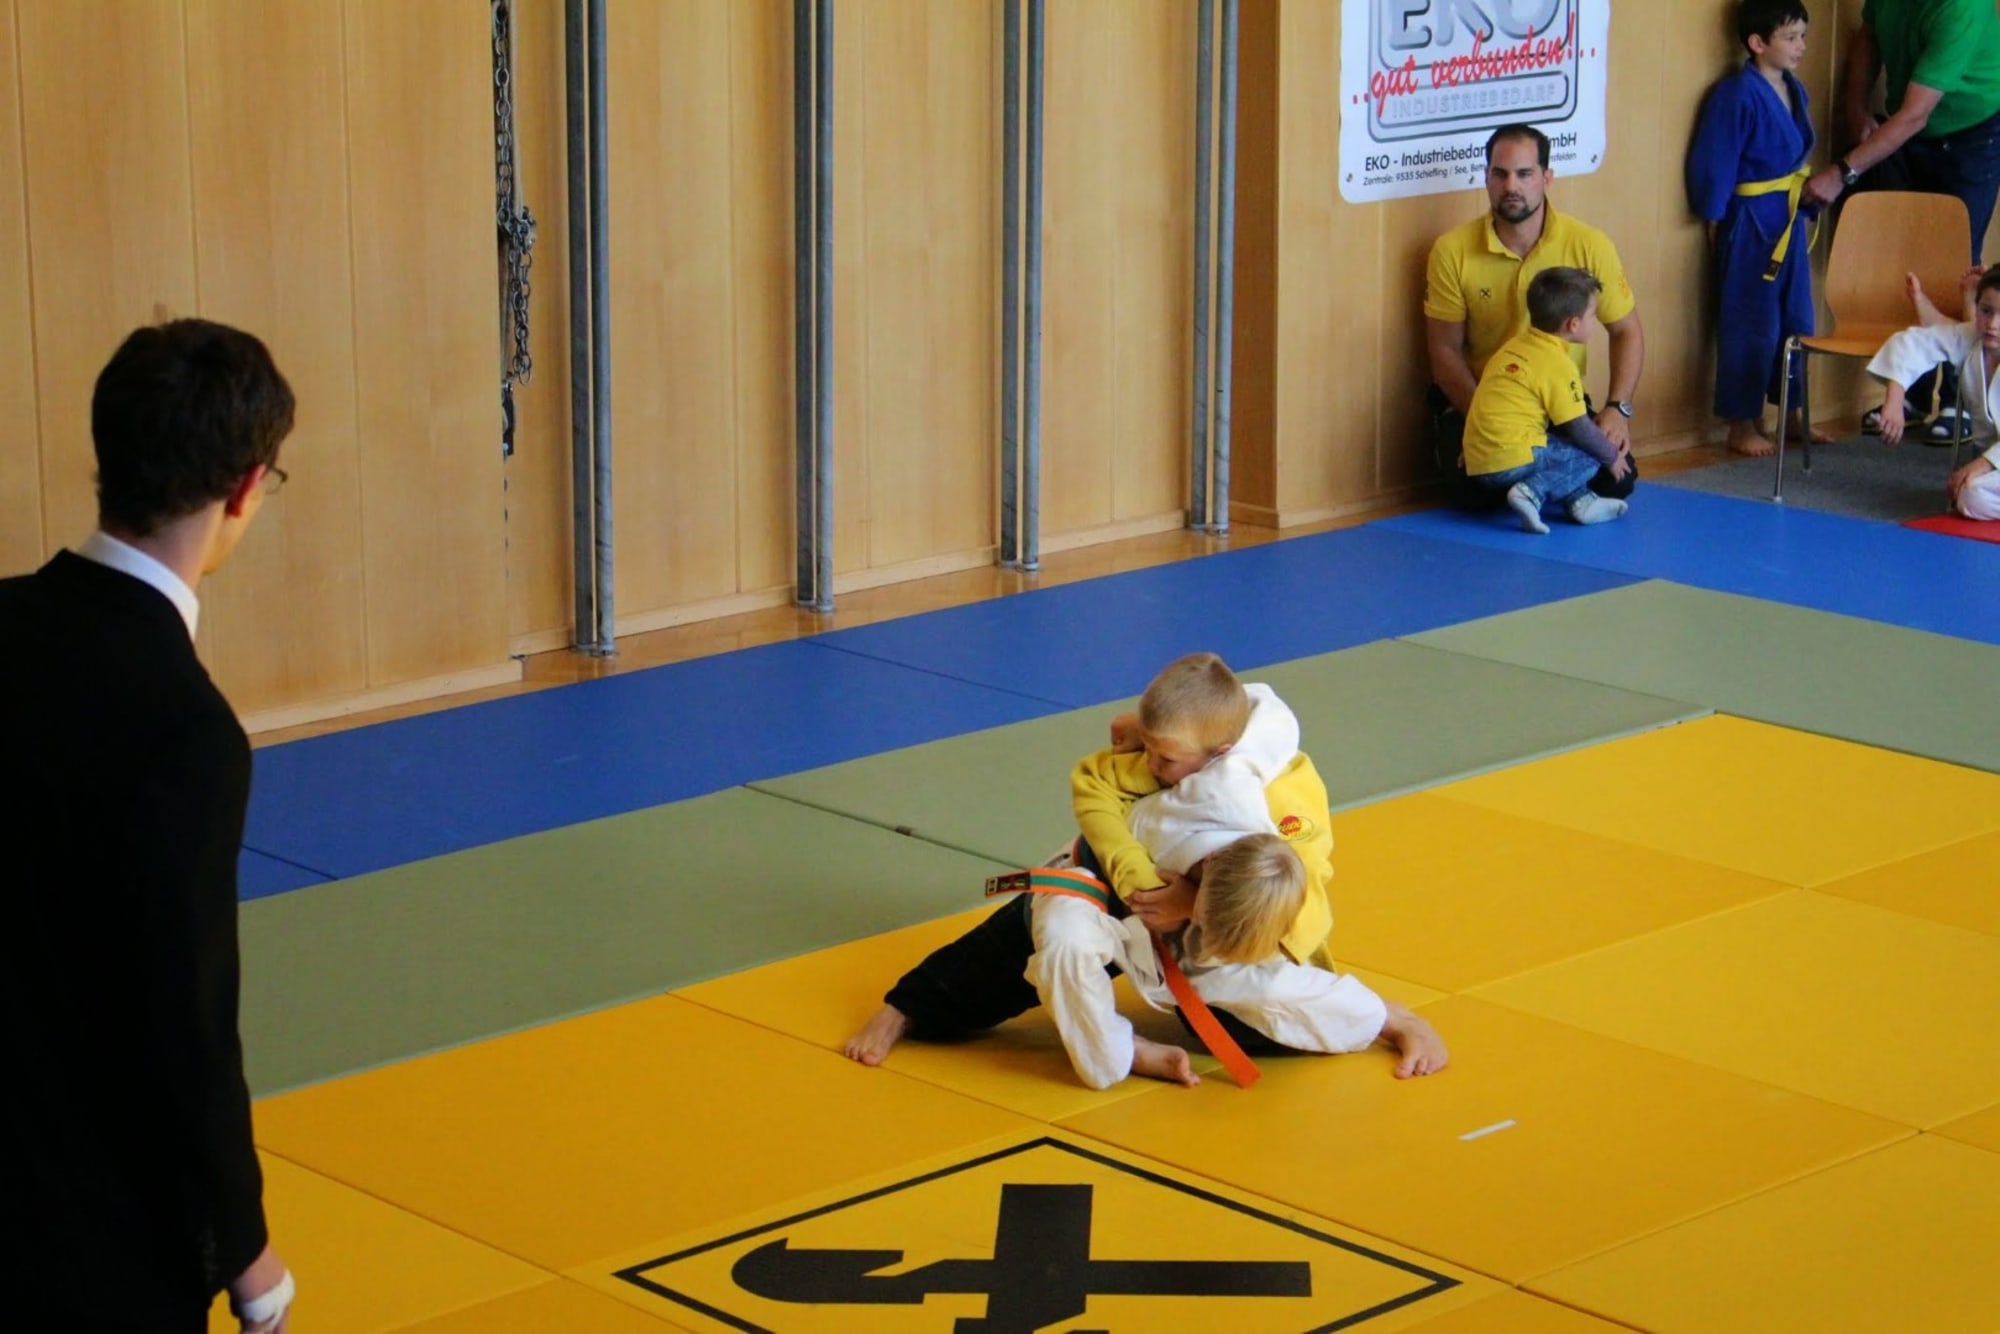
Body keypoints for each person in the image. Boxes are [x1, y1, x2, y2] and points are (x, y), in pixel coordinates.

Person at [0, 321, 298, 1332]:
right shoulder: (185, 731)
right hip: (83, 1236)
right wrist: (243, 1246)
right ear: (246, 487)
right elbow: (182, 1025)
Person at [844, 653, 1446, 1088]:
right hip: (1108, 881)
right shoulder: (1170, 777)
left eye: (1167, 758)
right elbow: (1098, 784)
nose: (1155, 766)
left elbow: (1292, 911)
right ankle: (1109, 1049)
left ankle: (1390, 1018)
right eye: (1156, 753)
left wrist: (1191, 909)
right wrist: (1138, 876)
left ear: (1219, 752)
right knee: (1054, 942)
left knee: (1255, 991)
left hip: (1209, 907)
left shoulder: (1272, 821)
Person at [1804, 0, 2000, 442]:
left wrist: (1843, 172)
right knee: (1907, 262)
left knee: (1958, 264)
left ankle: (1959, 402)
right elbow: (1868, 37)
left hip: (1971, 131)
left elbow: (1915, 114)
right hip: (1909, 128)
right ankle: (1909, 391)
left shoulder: (1962, 8)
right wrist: (1856, 109)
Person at [1425, 123, 1644, 505]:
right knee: (1472, 493)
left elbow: (1627, 330)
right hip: (1482, 400)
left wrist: (1617, 409)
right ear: (1486, 178)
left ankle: (1535, 487)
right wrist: (1488, 423)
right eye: (1500, 174)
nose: (1511, 186)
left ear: (1547, 177)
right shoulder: (1452, 250)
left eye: (1524, 174)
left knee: (1617, 480)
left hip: (1556, 401)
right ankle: (1547, 489)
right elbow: (1444, 351)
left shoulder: (1589, 244)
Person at [1687, 0, 1822, 458]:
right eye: (1791, 37)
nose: (1801, 46)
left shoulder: (1794, 88)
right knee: (1750, 320)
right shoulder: (1735, 94)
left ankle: (1793, 412)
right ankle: (1741, 421)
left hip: (1789, 216)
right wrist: (1714, 215)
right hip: (1749, 220)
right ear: (1757, 43)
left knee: (1797, 318)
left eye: (1803, 36)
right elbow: (1715, 159)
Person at [1462, 267, 1633, 535]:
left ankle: (1582, 503)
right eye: (1592, 315)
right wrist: (1610, 457)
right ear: (1573, 324)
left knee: (1562, 449)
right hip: (1513, 461)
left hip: (1478, 460)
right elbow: (1579, 428)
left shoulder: (1511, 347)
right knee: (1592, 452)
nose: (1594, 321)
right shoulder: (1558, 364)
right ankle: (1531, 492)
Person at [1868, 263, 2000, 519]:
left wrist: (1982, 464)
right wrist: (1895, 397)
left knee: (1971, 491)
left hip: (1991, 460)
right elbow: (1915, 343)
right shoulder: (1972, 338)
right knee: (1970, 494)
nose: (1992, 324)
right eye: (1986, 311)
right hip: (1992, 461)